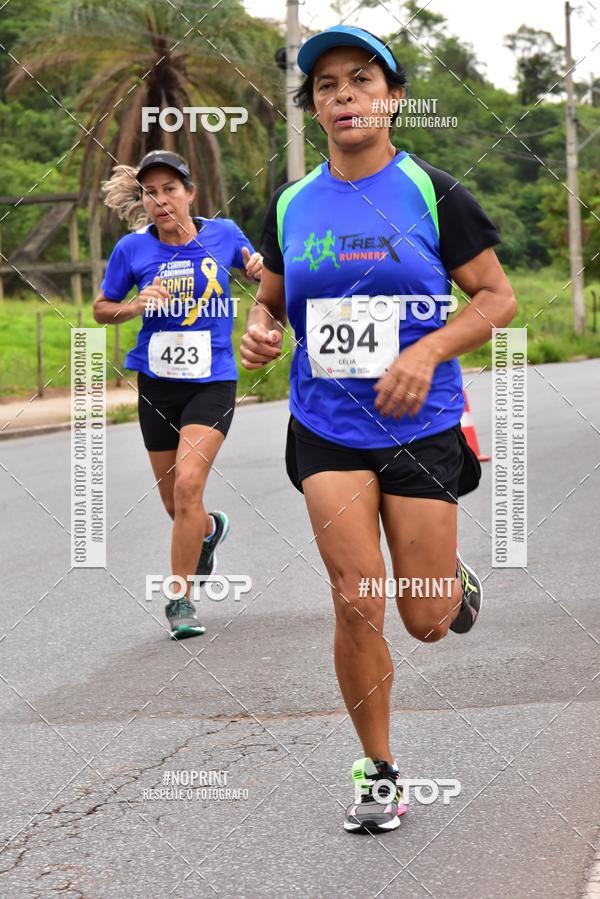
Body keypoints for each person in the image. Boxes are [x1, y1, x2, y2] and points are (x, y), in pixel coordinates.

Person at [241, 25, 517, 833]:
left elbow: (497, 301)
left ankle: (452, 586)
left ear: (392, 98)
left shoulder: (433, 193)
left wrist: (426, 351)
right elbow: (274, 304)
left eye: (360, 80)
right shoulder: (293, 202)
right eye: (327, 86)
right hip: (326, 425)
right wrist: (260, 333)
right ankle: (380, 769)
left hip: (423, 424)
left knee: (423, 619)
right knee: (355, 597)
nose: (344, 95)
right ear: (315, 108)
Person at [93, 150, 262, 639]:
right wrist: (133, 305)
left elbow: (256, 266)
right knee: (176, 506)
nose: (160, 200)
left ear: (190, 193)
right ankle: (208, 531)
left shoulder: (224, 234)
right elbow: (103, 307)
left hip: (212, 382)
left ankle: (180, 600)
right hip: (156, 384)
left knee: (189, 485)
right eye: (151, 192)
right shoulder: (132, 249)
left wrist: (257, 268)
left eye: (170, 189)